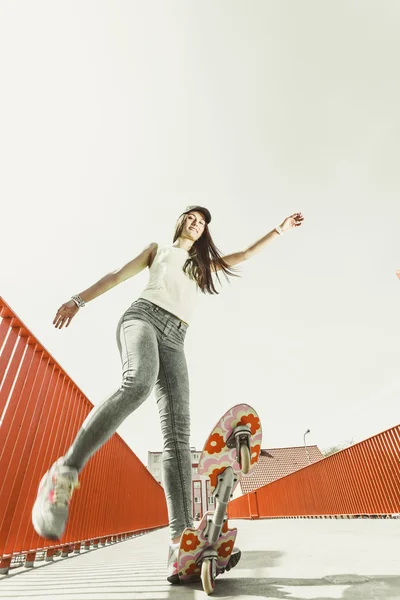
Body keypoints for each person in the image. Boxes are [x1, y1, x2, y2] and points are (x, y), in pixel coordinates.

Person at [31, 205, 304, 582]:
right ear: (180, 222)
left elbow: (242, 255)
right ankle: (65, 470)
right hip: (142, 318)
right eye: (191, 217)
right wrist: (78, 301)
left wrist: (279, 229)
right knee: (138, 383)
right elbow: (115, 276)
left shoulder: (201, 264)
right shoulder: (157, 250)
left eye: (202, 222)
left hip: (176, 337)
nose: (196, 223)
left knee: (178, 436)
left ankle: (181, 540)